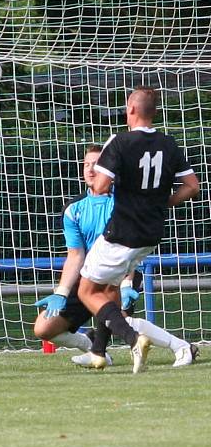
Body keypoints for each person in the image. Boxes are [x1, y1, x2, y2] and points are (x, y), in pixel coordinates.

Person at [34, 144, 198, 368]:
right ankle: (90, 345)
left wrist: (127, 282)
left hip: (121, 272)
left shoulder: (122, 204)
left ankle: (182, 347)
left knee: (119, 321)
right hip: (88, 277)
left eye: (97, 165)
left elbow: (127, 248)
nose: (91, 170)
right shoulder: (73, 209)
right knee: (43, 328)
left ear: (108, 170)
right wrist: (61, 292)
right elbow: (75, 255)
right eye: (86, 165)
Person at [77, 87, 200, 373]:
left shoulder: (119, 142)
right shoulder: (168, 144)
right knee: (108, 289)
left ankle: (133, 339)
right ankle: (98, 351)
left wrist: (104, 178)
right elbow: (192, 186)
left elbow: (100, 187)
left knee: (87, 290)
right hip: (151, 233)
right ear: (154, 112)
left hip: (123, 231)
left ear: (130, 109)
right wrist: (163, 202)